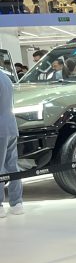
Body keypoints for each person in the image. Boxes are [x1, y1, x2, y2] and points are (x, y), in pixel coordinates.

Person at [0, 70, 22, 217]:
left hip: (1, 130)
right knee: (13, 165)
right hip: (11, 126)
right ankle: (17, 203)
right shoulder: (5, 77)